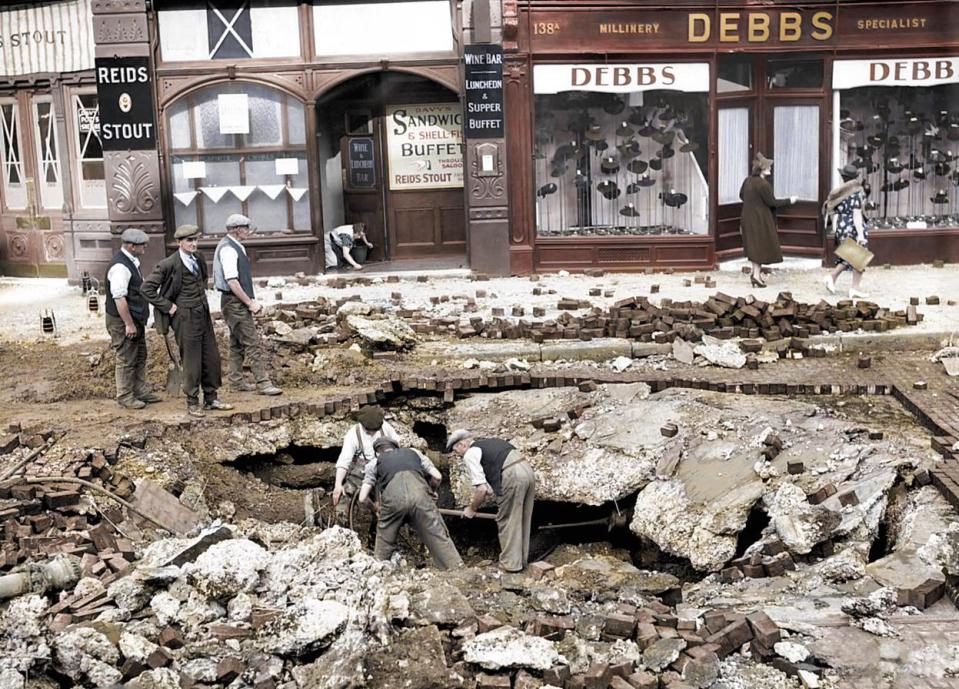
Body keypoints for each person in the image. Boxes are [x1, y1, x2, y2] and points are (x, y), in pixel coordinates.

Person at [142, 224, 233, 418]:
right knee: (192, 360)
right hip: (184, 317)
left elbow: (203, 280)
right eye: (189, 240)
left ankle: (211, 398)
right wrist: (168, 306)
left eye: (195, 239)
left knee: (211, 356)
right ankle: (192, 402)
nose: (194, 244)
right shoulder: (168, 264)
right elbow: (146, 289)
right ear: (179, 243)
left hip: (203, 312)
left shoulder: (198, 258)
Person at [358, 437, 464, 570]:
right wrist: (432, 491)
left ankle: (378, 572)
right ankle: (457, 569)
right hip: (420, 497)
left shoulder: (374, 463)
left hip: (393, 502)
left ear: (377, 452)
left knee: (384, 538)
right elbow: (437, 476)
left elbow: (362, 498)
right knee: (437, 533)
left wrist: (375, 508)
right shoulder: (414, 452)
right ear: (396, 447)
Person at [212, 213, 282, 396]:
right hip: (234, 302)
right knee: (252, 342)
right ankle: (263, 383)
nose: (248, 232)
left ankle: (236, 380)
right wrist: (250, 303)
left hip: (233, 302)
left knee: (237, 342)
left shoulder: (235, 246)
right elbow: (232, 281)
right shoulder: (228, 249)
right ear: (236, 230)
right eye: (246, 228)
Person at [447, 430, 536, 572]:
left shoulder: (470, 454)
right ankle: (521, 561)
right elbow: (488, 487)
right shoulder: (489, 444)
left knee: (507, 519)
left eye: (455, 450)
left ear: (462, 444)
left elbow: (481, 490)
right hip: (527, 471)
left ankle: (510, 565)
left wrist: (472, 509)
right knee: (523, 517)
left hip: (512, 475)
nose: (456, 454)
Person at [105, 228, 161, 410]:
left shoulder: (131, 261)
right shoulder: (120, 267)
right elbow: (119, 298)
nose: (145, 247)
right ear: (131, 246)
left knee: (140, 354)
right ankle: (125, 395)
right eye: (141, 245)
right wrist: (128, 324)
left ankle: (139, 390)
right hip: (123, 321)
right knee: (126, 358)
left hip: (135, 318)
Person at [739, 153, 797, 288]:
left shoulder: (747, 181)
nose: (770, 168)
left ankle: (755, 274)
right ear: (762, 169)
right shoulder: (763, 185)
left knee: (753, 246)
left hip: (747, 217)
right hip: (760, 219)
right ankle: (756, 276)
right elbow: (772, 202)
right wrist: (790, 200)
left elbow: (741, 195)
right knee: (759, 246)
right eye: (768, 167)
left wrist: (753, 203)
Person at [332, 405, 401, 519]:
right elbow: (344, 461)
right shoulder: (353, 434)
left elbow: (397, 444)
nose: (373, 434)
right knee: (345, 495)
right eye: (369, 432)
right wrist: (338, 484)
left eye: (375, 431)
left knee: (389, 498)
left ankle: (378, 529)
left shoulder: (385, 427)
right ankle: (343, 530)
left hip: (384, 465)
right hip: (362, 470)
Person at [822, 163, 870, 299]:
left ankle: (836, 280)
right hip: (853, 227)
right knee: (858, 257)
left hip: (843, 226)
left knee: (851, 256)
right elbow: (857, 215)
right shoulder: (856, 194)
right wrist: (860, 234)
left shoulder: (840, 193)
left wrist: (837, 229)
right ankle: (851, 286)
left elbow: (835, 212)